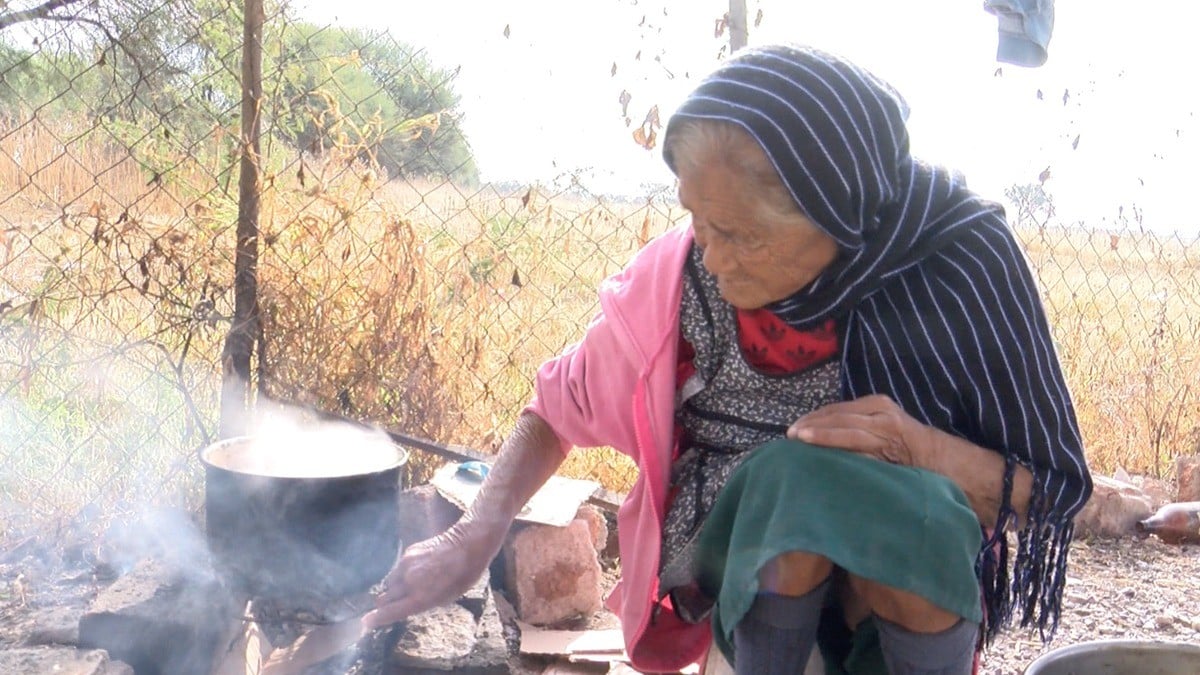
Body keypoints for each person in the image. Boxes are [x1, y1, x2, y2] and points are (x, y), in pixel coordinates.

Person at [363, 44, 1093, 675]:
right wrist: (473, 532)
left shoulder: (959, 265)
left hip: (904, 587)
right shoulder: (684, 291)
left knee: (896, 496)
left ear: (834, 217)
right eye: (694, 218)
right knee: (791, 480)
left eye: (738, 234)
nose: (707, 253)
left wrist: (917, 445)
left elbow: (1054, 488)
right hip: (749, 573)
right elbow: (555, 409)